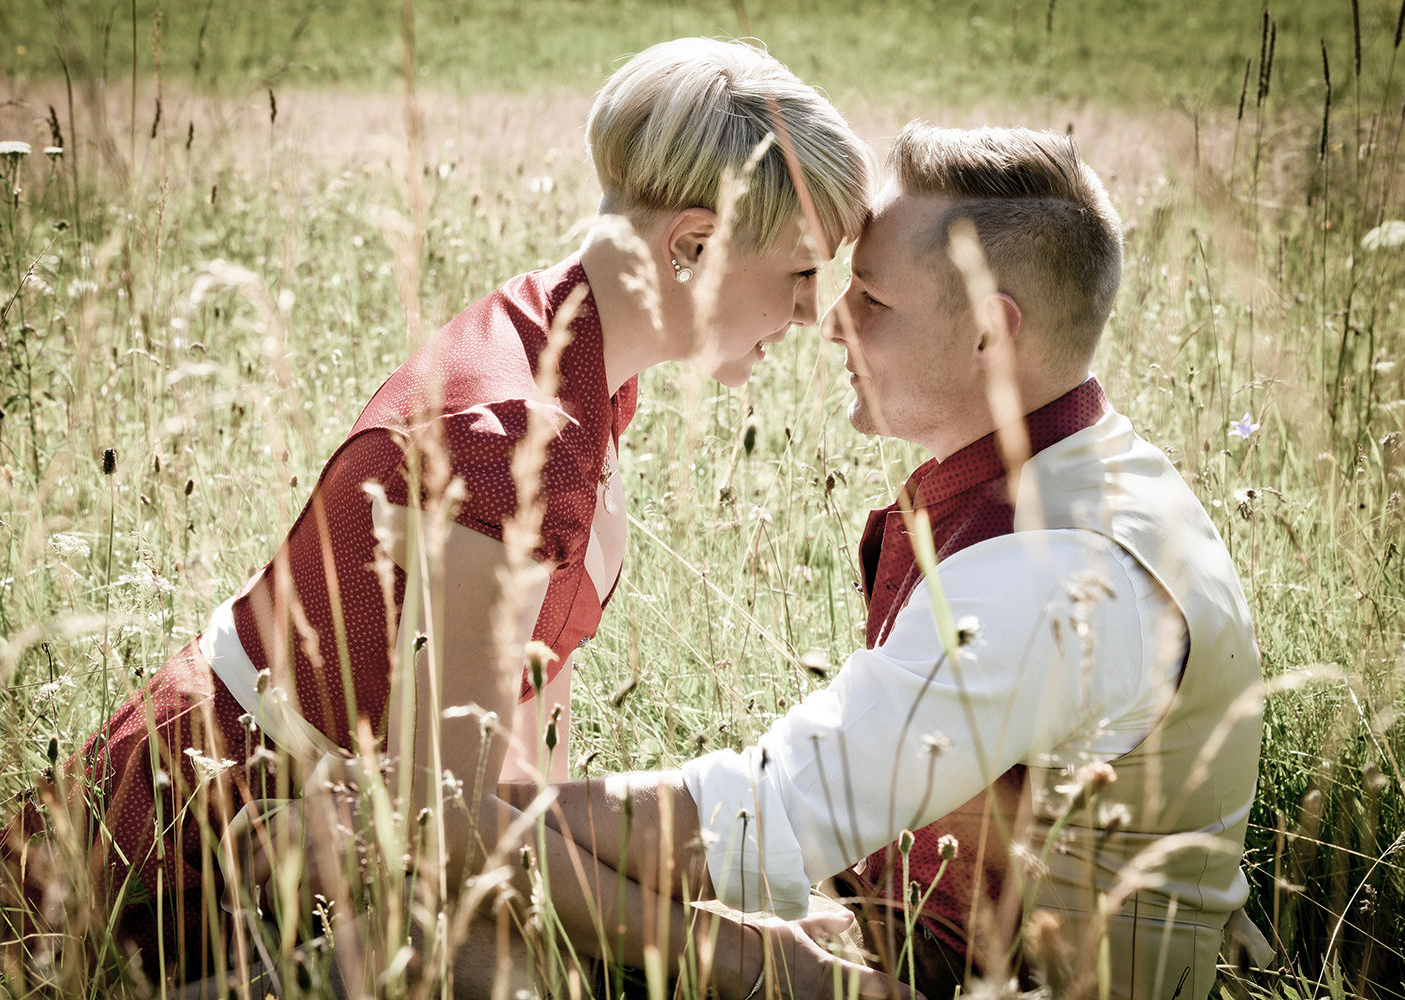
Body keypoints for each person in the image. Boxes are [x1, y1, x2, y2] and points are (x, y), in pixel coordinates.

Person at [0, 37, 877, 996]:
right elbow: (441, 822)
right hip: (171, 879)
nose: (816, 314)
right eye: (802, 272)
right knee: (504, 968)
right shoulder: (512, 436)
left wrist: (724, 913)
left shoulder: (574, 348)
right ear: (693, 246)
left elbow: (507, 775)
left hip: (330, 839)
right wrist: (743, 957)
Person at [536, 122, 1264, 1000]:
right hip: (939, 943)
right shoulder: (1094, 469)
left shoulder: (1059, 576)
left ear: (992, 332)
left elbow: (768, 814)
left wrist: (453, 826)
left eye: (872, 300)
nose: (830, 322)